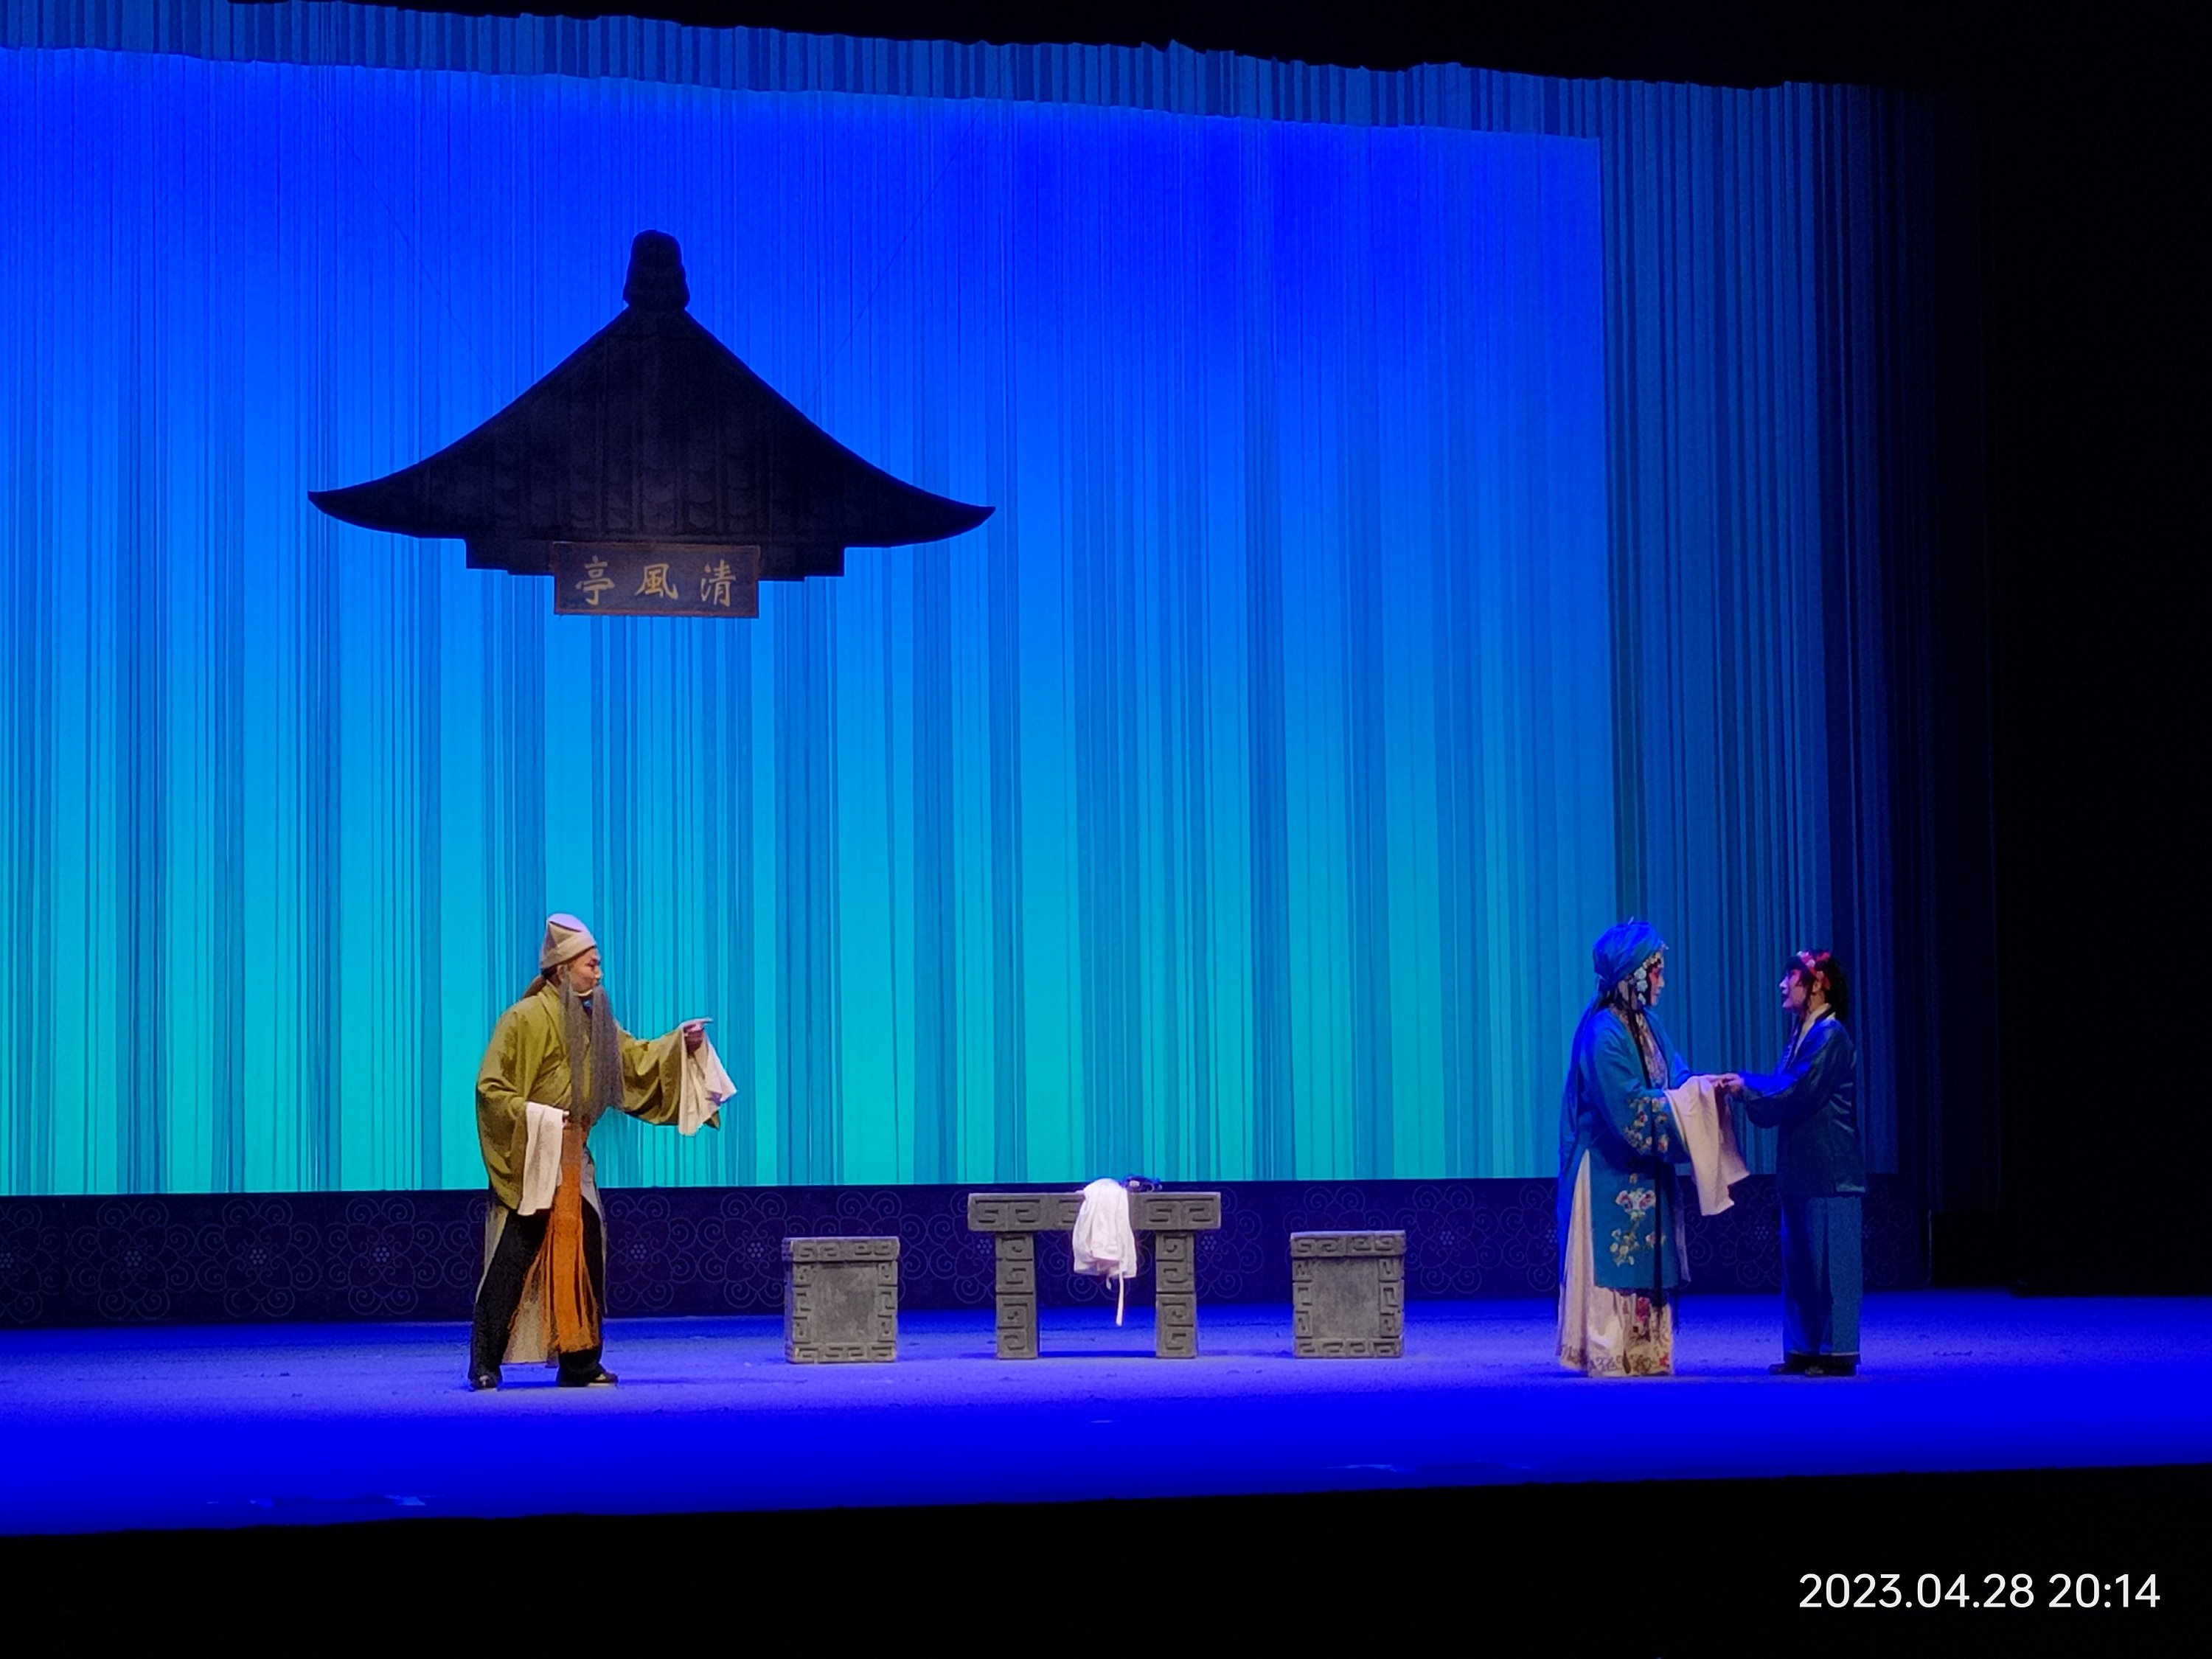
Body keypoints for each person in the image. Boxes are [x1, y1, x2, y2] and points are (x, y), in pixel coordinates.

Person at [468, 913, 717, 1390]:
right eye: (591, 964)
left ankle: (580, 1362)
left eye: (598, 964)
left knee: (586, 1253)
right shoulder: (523, 1019)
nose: (599, 973)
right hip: (535, 1152)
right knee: (514, 1257)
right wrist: (538, 1117)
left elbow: (638, 1063)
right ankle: (485, 1362)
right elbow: (491, 1089)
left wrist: (681, 1045)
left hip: (573, 1156)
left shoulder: (596, 1023)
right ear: (562, 969)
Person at [1556, 920, 1730, 1377]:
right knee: (1615, 1252)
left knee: (1646, 1250)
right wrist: (1686, 1106)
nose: (1662, 982)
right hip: (1607, 1167)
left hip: (1644, 1167)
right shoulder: (1603, 1034)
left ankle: (1644, 1351)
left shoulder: (1649, 1025)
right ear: (1633, 975)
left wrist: (1705, 1091)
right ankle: (1609, 1348)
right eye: (1656, 972)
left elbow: (1677, 1076)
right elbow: (1627, 1108)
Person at [1731, 949, 1863, 1377]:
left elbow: (1799, 1089)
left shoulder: (1831, 1036)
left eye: (1791, 977)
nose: (1783, 985)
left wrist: (1746, 1086)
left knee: (1831, 1264)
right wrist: (1747, 1088)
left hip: (1830, 1169)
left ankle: (1836, 1350)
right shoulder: (1803, 1035)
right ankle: (1805, 1347)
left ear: (1817, 985)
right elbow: (1787, 1087)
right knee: (1800, 1262)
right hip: (1802, 1165)